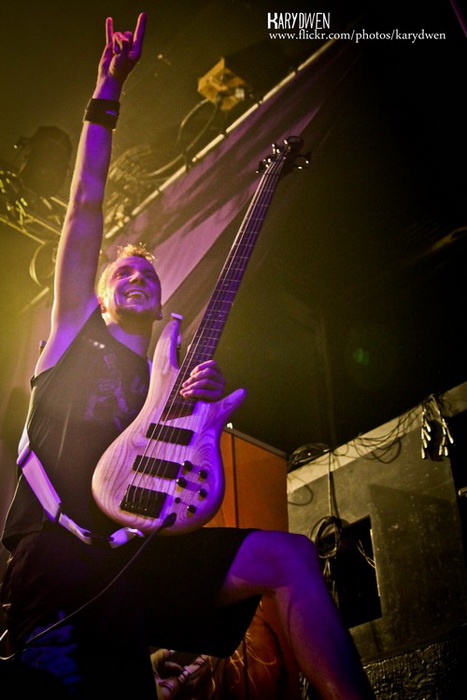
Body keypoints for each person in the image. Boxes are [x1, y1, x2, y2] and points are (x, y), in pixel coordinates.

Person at [0, 13, 374, 699]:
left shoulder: (160, 380)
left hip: (136, 557)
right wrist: (107, 90)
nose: (136, 276)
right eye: (122, 273)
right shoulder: (73, 337)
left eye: (148, 273)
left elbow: (180, 483)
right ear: (98, 299)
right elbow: (84, 208)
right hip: (56, 561)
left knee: (288, 556)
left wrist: (201, 415)